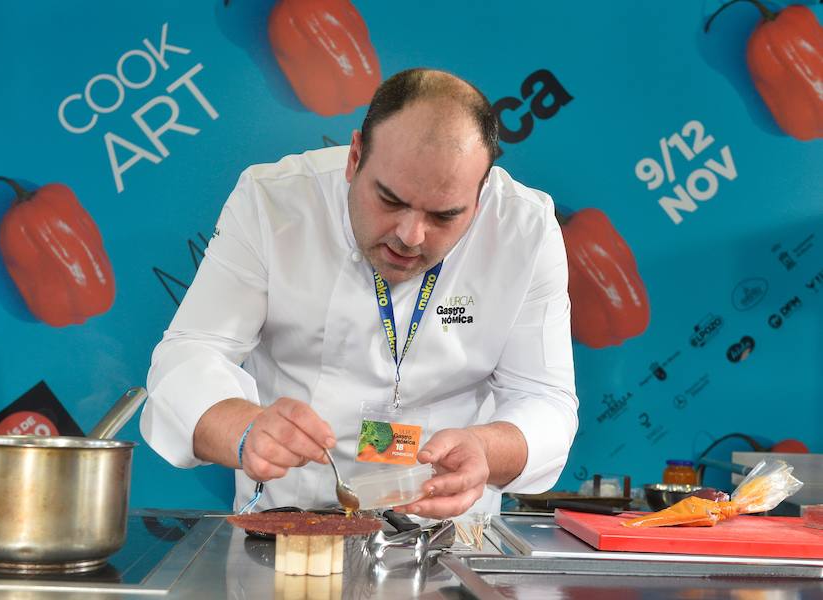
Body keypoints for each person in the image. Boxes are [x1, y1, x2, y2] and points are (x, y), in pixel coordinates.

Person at [140, 68, 578, 518]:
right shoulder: (274, 202)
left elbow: (546, 399)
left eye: (444, 216)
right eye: (389, 201)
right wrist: (246, 428)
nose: (410, 236)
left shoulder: (525, 229)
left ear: (481, 195)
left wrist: (484, 448)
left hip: (446, 533)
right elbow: (190, 354)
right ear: (354, 158)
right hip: (289, 526)